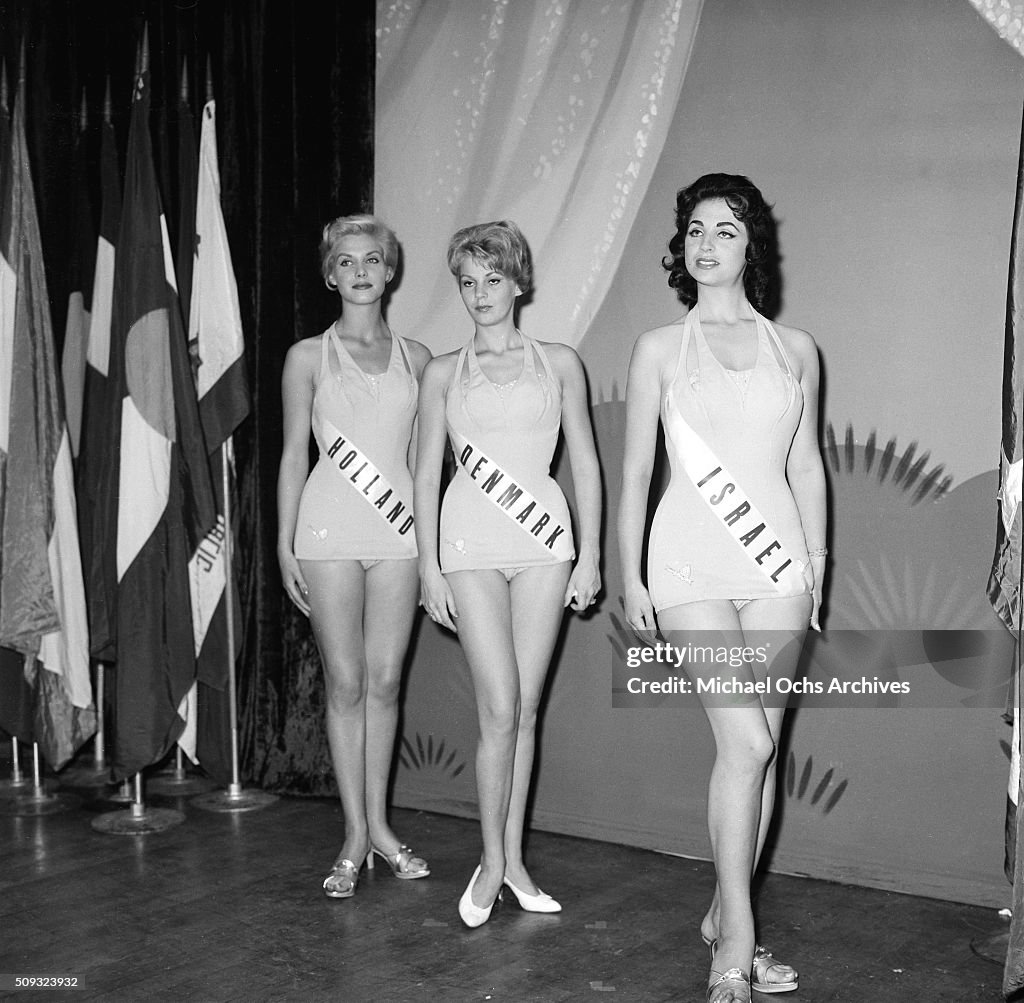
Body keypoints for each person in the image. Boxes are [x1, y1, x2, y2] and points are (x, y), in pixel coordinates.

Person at [618, 175, 826, 1002]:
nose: (707, 243)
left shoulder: (795, 347)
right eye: (696, 229)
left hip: (778, 567)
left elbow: (805, 463)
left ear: (751, 247)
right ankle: (735, 943)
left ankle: (720, 912)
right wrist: (628, 571)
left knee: (759, 754)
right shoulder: (659, 348)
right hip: (689, 564)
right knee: (746, 745)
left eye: (726, 230)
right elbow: (637, 470)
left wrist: (817, 562)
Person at [414, 220, 602, 928]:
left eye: (493, 278)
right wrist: (428, 564)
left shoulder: (559, 361)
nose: (481, 293)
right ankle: (490, 861)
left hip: (544, 542)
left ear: (519, 281)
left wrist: (590, 554)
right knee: (497, 706)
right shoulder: (442, 371)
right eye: (468, 281)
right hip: (468, 543)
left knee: (524, 709)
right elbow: (424, 470)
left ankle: (514, 862)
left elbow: (583, 460)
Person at [277, 214, 432, 899]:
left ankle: (382, 828)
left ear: (390, 270)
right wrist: (284, 543)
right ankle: (353, 834)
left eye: (373, 259)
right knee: (344, 682)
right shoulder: (307, 356)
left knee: (386, 681)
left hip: (398, 535)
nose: (362, 270)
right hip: (328, 532)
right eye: (347, 260)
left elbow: (429, 467)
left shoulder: (419, 359)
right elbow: (290, 457)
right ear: (330, 273)